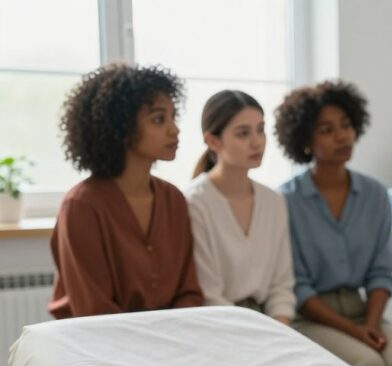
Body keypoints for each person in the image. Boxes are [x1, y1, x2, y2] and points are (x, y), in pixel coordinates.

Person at [276, 80, 392, 366]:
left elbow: (382, 272)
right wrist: (355, 332)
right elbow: (297, 287)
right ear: (306, 141)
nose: (342, 136)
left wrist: (369, 323)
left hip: (363, 311)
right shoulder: (286, 201)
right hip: (310, 317)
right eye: (327, 129)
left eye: (346, 125)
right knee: (367, 363)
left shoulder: (375, 194)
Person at [50, 63, 202, 318]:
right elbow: (94, 310)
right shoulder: (81, 206)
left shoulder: (174, 199)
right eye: (158, 119)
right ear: (121, 128)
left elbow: (189, 292)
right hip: (100, 345)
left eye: (173, 116)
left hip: (171, 341)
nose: (174, 129)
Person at [185, 90, 295, 323]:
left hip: (271, 326)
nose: (257, 142)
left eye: (261, 130)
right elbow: (209, 295)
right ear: (212, 141)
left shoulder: (273, 202)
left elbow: (282, 286)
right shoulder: (194, 203)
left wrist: (280, 329)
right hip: (220, 326)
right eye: (243, 133)